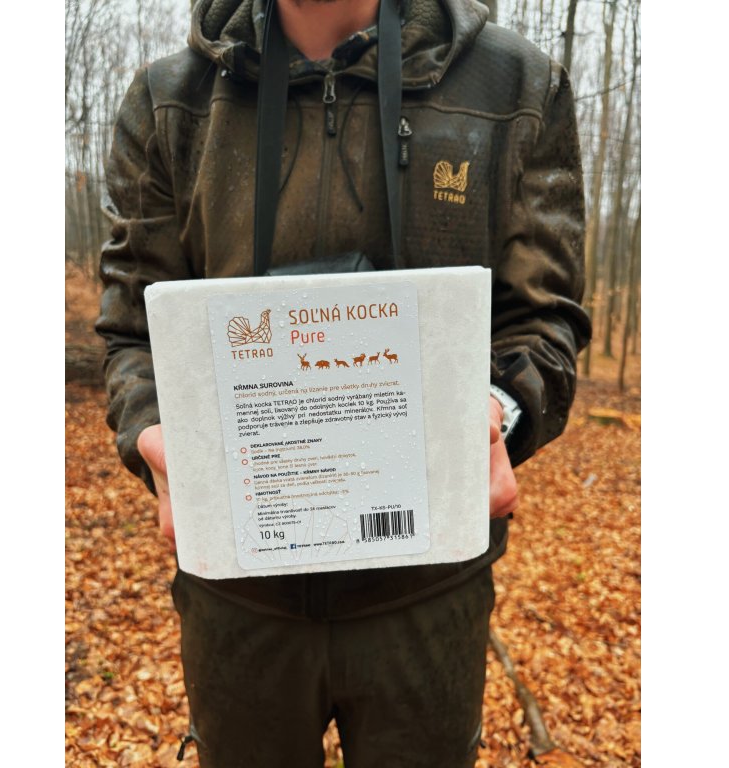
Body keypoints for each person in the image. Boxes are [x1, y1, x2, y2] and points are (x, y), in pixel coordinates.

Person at [96, 0, 591, 763]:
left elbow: (545, 319)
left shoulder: (513, 87)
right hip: (238, 598)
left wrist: (499, 411)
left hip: (426, 595)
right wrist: (151, 433)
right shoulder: (172, 101)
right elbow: (133, 328)